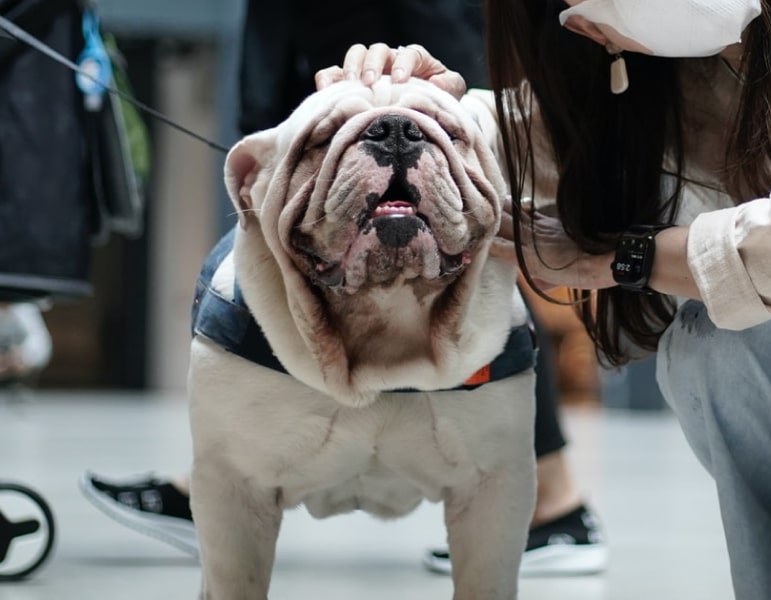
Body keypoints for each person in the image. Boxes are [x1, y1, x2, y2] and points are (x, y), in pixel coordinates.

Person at [80, 0, 607, 578]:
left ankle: (552, 501)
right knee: (288, 250)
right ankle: (224, 474)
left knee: (472, 273)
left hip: (404, 32)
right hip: (307, 37)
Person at [316, 0, 771, 598]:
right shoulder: (669, 78)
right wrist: (410, 110)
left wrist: (629, 256)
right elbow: (533, 133)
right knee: (721, 344)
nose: (583, 18)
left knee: (737, 342)